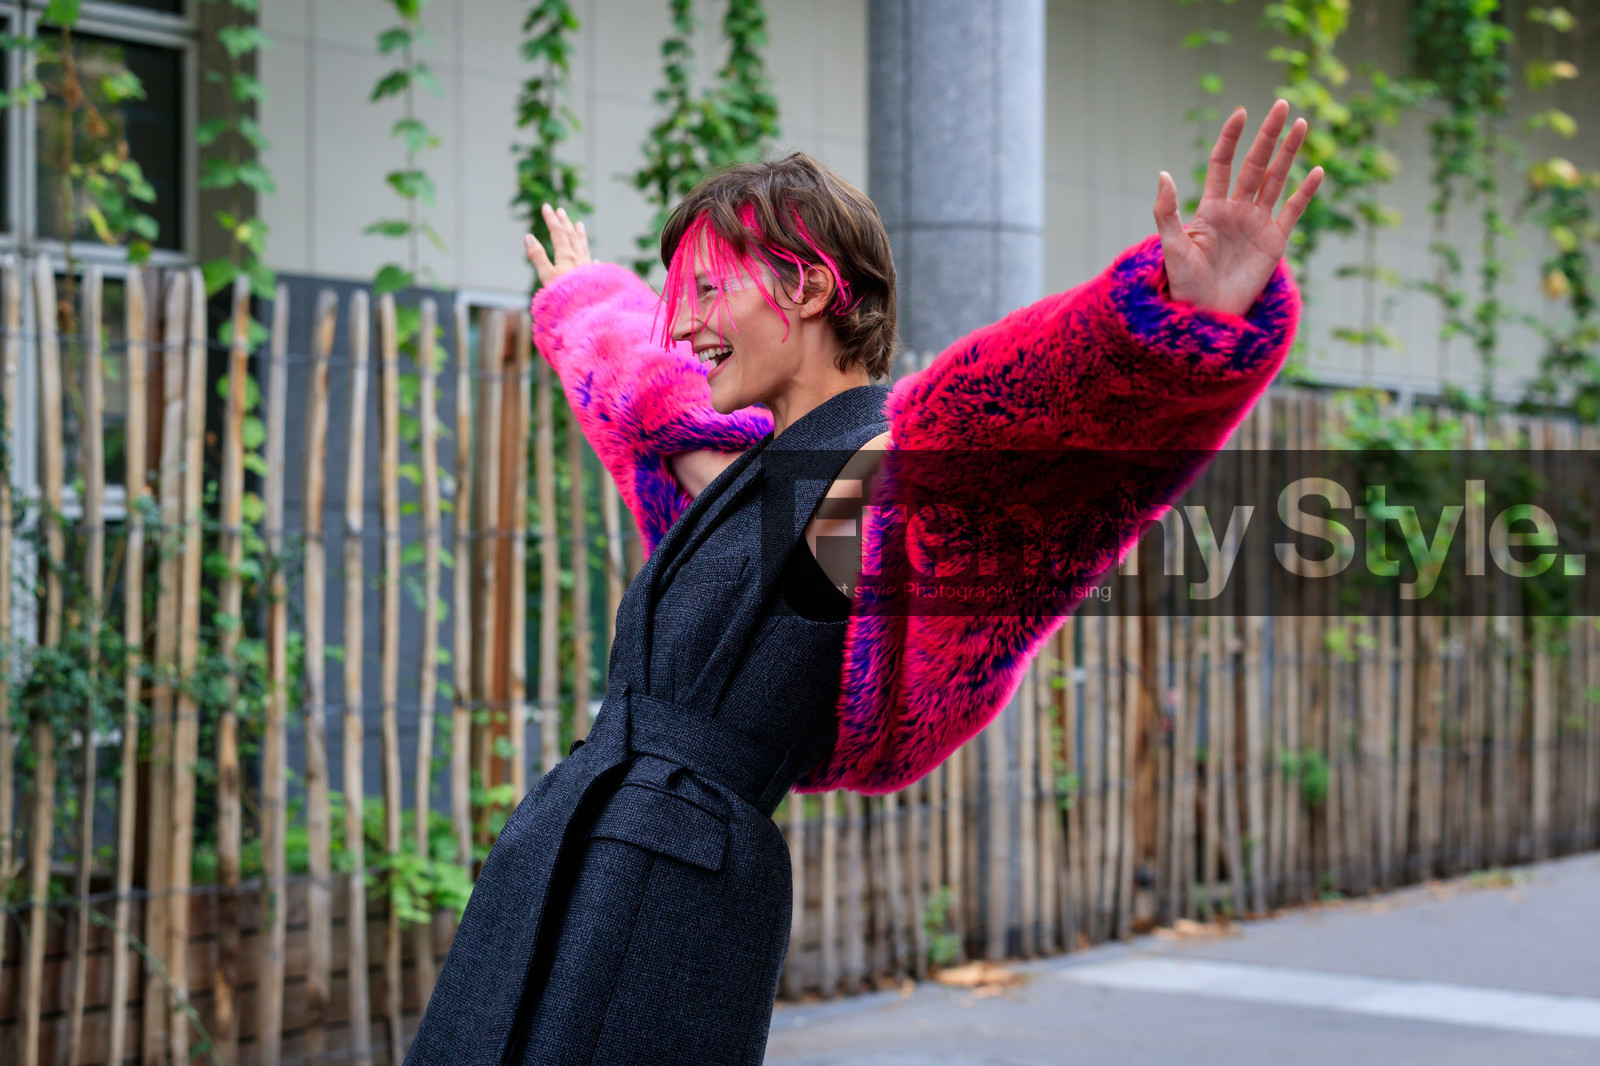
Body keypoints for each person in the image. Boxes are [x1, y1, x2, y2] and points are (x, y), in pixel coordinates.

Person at [405, 101, 1321, 1066]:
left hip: (662, 882)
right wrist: (585, 300)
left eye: (710, 291)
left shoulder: (877, 479)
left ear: (803, 289)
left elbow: (1035, 419)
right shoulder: (762, 478)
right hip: (582, 851)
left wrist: (1177, 326)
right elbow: (654, 404)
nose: (683, 323)